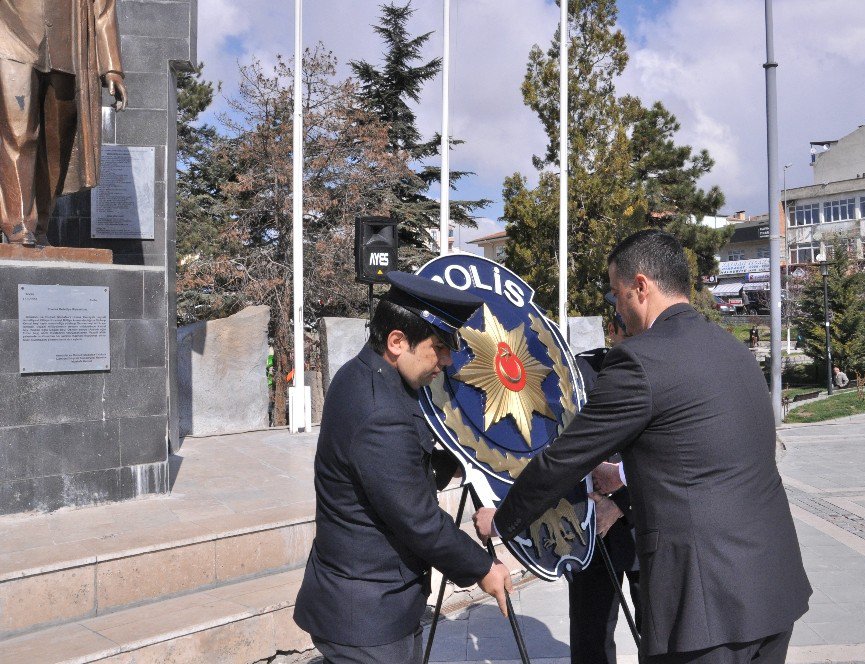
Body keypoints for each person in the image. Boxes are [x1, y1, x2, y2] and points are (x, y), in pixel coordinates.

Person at [475, 230, 811, 663]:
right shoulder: (731, 348)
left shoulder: (639, 360)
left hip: (705, 605)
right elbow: (707, 455)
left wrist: (502, 521)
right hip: (771, 585)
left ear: (640, 286)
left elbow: (564, 459)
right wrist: (619, 475)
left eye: (617, 295)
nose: (616, 308)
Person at [294, 271, 512, 664]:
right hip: (367, 616)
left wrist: (466, 456)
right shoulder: (380, 410)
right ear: (397, 342)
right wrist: (483, 568)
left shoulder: (366, 375)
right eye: (439, 348)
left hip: (370, 603)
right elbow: (419, 520)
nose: (446, 362)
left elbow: (407, 468)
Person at [0, 0, 128, 246]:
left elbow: (103, 5)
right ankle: (19, 223)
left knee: (58, 143)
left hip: (66, 44)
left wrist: (112, 67)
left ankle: (40, 226)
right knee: (19, 134)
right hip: (10, 35)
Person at [569, 309, 642, 664]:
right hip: (592, 526)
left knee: (663, 639)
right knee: (591, 638)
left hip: (645, 523)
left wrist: (620, 502)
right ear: (611, 330)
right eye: (628, 333)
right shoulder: (581, 372)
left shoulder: (662, 367)